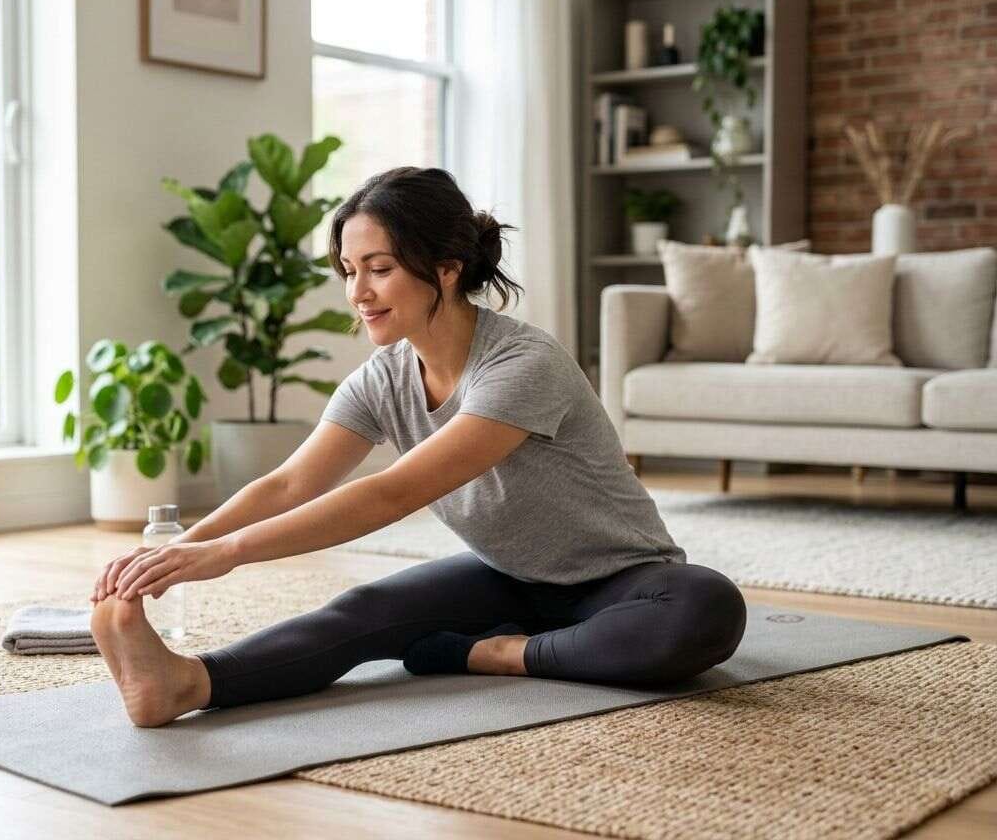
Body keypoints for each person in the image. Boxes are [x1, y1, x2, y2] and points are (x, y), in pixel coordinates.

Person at [88, 167, 747, 728]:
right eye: (350, 271)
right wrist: (175, 554)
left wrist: (226, 555)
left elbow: (393, 491)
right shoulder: (384, 378)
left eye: (379, 269)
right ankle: (187, 684)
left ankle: (491, 654)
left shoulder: (522, 364)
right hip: (509, 581)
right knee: (362, 612)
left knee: (706, 608)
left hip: (623, 585)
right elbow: (290, 484)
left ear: (446, 269)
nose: (358, 293)